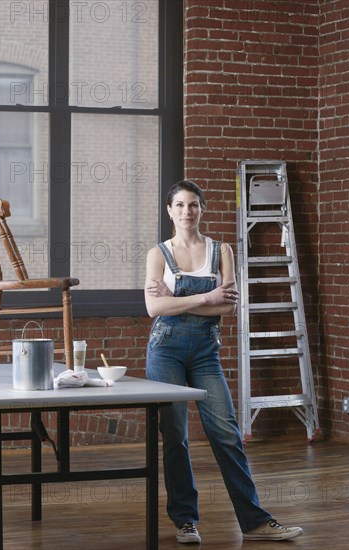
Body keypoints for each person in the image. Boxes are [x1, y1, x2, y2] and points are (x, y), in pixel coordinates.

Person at [144, 180, 303, 544]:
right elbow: (154, 308)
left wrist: (181, 298)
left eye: (194, 205)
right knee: (176, 436)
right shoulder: (158, 254)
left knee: (227, 434)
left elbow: (228, 306)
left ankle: (255, 521)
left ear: (202, 209)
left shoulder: (221, 251)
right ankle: (185, 520)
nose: (187, 212)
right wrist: (206, 297)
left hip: (205, 352)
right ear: (170, 211)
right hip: (164, 349)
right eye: (180, 205)